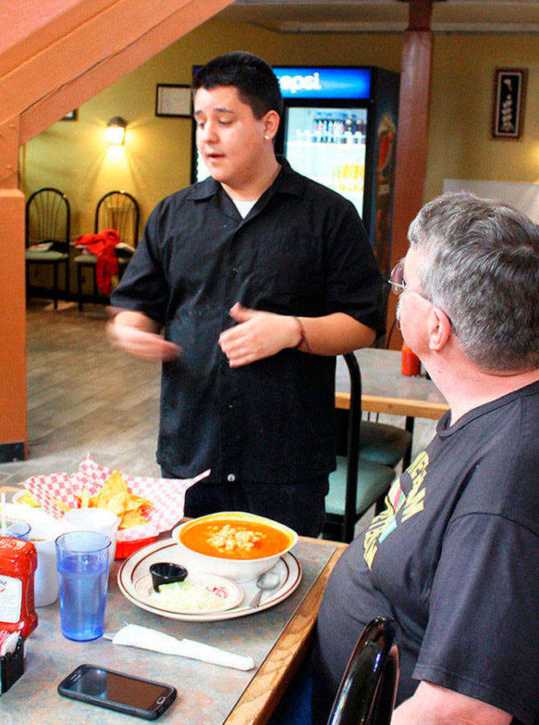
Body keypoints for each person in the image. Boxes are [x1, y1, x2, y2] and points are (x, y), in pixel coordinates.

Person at [312, 193, 539, 723]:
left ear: (436, 327)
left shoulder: (515, 490)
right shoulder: (520, 397)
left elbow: (460, 713)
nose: (397, 286)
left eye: (406, 280)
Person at [107, 51, 384, 537]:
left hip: (286, 459)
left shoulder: (329, 215)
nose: (207, 136)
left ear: (268, 124)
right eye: (200, 121)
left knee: (285, 596)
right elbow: (136, 307)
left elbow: (363, 322)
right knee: (192, 586)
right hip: (193, 452)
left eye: (224, 120)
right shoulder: (174, 215)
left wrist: (293, 331)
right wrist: (132, 331)